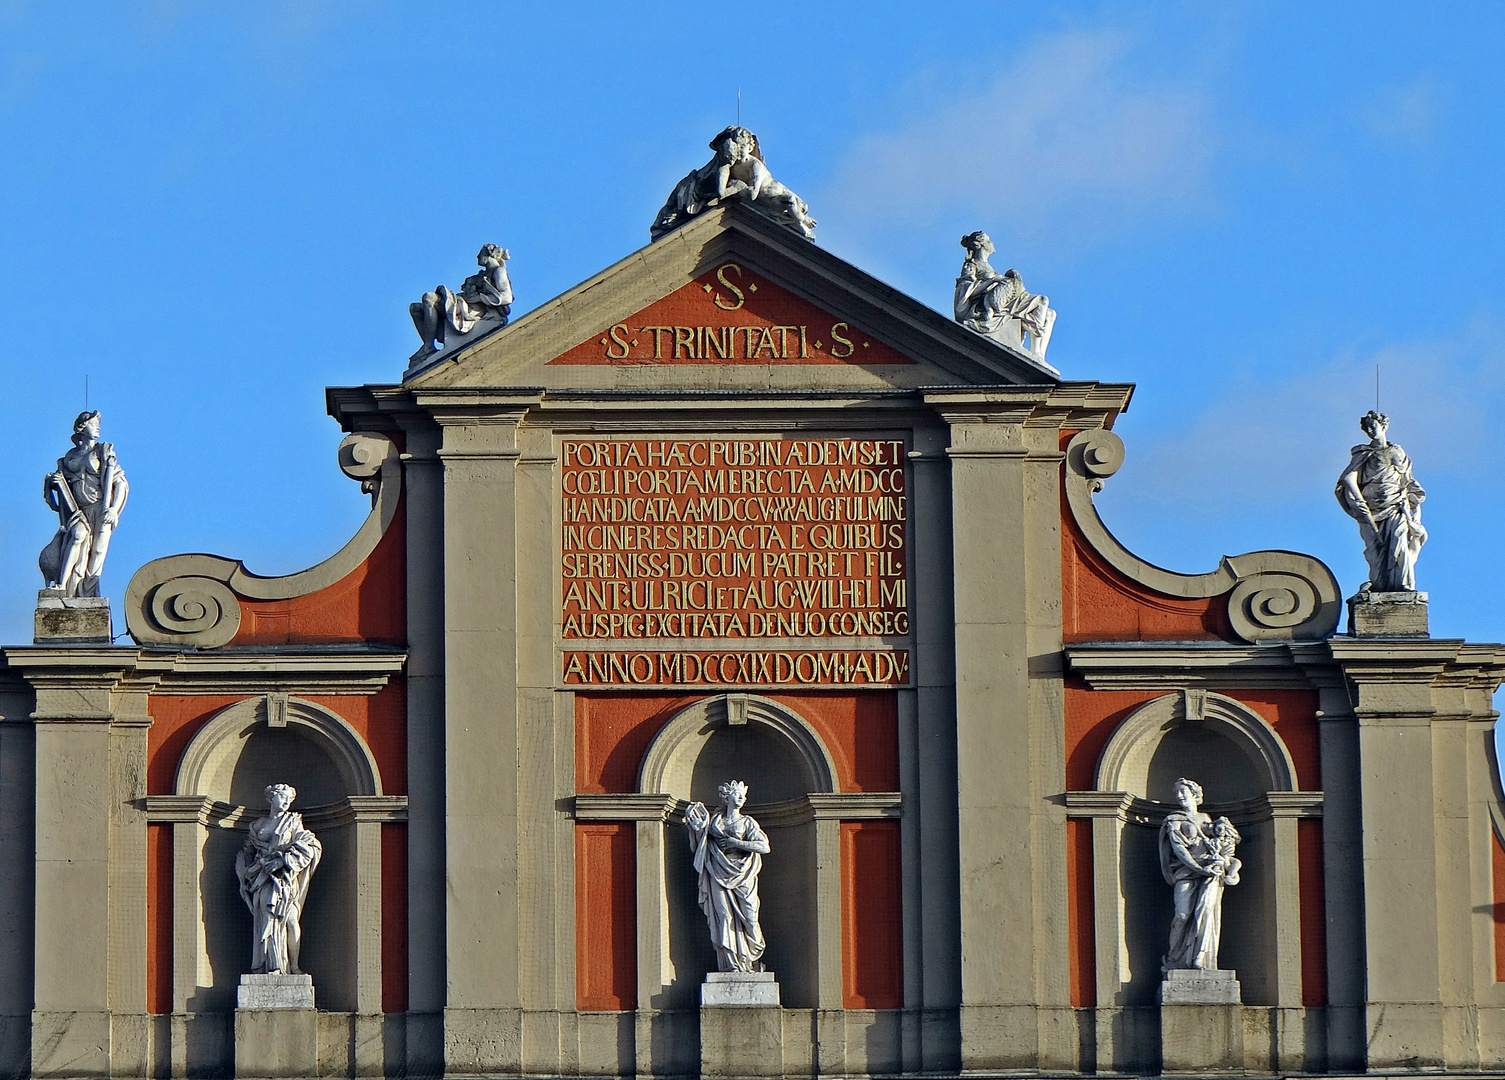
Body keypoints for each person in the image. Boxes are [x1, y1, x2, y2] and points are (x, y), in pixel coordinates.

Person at [652, 127, 816, 240]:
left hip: (772, 195)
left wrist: (737, 187)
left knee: (790, 201)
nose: (739, 151)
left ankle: (802, 223)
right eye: (737, 146)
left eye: (743, 146)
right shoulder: (726, 165)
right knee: (670, 207)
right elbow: (721, 192)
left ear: (750, 146)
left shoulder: (754, 165)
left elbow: (752, 193)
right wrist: (733, 187)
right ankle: (801, 222)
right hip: (701, 189)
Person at [684, 779, 771, 973]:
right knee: (723, 916)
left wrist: (735, 843)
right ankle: (730, 963)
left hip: (743, 874)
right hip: (717, 871)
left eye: (743, 795)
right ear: (726, 797)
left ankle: (750, 959)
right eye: (737, 794)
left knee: (750, 918)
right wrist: (698, 829)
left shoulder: (747, 822)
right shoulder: (715, 821)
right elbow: (701, 848)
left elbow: (764, 846)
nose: (742, 798)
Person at [235, 783, 323, 975]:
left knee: (291, 921)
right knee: (268, 919)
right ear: (270, 798)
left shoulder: (293, 822)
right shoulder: (258, 825)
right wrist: (243, 877)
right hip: (262, 879)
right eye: (282, 797)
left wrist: (283, 860)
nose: (286, 802)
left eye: (289, 799)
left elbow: (311, 846)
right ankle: (272, 966)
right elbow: (246, 853)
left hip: (284, 879)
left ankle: (293, 966)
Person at [39, 410, 128, 598]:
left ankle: (87, 594)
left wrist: (113, 509)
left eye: (98, 424)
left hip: (100, 509)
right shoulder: (69, 457)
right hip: (77, 510)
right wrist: (54, 484)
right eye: (93, 424)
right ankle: (63, 586)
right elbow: (57, 486)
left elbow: (120, 483)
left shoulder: (103, 452)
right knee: (77, 538)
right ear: (82, 427)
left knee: (96, 553)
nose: (98, 427)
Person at [1334, 410, 1427, 592]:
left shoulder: (1397, 451)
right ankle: (1380, 584)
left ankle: (1402, 584)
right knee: (1375, 551)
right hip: (1371, 508)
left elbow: (1406, 478)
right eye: (1367, 428)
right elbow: (1348, 478)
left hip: (1396, 505)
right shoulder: (1362, 453)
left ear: (1384, 426)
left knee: (1399, 542)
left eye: (1373, 426)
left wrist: (1410, 500)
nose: (1370, 431)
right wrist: (1358, 501)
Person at [1159, 778, 1241, 973]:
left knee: (1206, 913)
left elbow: (1225, 843)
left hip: (1211, 873)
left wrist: (1223, 862)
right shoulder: (1174, 820)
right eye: (1177, 793)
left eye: (1183, 792)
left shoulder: (1207, 820)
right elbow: (1180, 851)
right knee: (1182, 914)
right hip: (1187, 872)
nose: (1179, 796)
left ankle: (1202, 958)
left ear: (1195, 795)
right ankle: (1176, 959)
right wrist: (1200, 869)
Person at [954, 231, 1056, 357]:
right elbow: (965, 289)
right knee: (1042, 301)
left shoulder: (988, 266)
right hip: (987, 304)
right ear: (981, 245)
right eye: (988, 241)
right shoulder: (971, 265)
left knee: (1050, 314)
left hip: (1004, 299)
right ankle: (1035, 353)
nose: (992, 243)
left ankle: (1038, 354)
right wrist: (992, 281)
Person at [410, 243, 513, 362]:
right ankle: (428, 347)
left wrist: (480, 298)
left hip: (474, 309)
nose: (478, 257)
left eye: (480, 254)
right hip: (466, 302)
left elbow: (507, 297)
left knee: (429, 298)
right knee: (415, 309)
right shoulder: (484, 274)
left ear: (489, 255)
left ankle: (427, 347)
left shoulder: (498, 271)